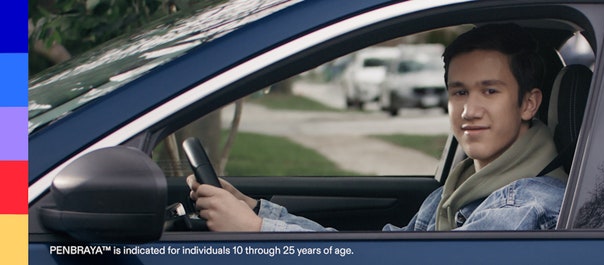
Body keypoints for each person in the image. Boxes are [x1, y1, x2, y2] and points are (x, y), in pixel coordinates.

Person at [187, 23, 568, 232]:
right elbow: (383, 251)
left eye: (490, 90)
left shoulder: (526, 206)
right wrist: (256, 210)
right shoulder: (459, 189)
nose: (469, 109)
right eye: (459, 91)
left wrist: (257, 233)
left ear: (529, 103)